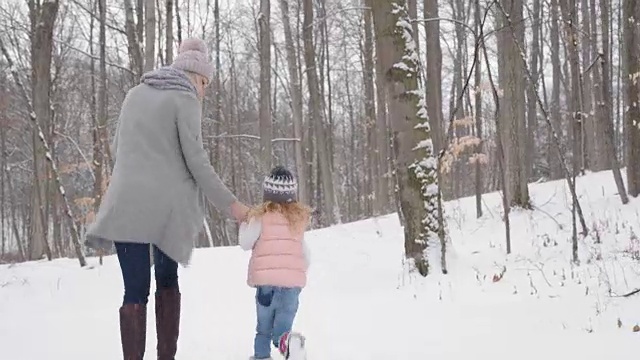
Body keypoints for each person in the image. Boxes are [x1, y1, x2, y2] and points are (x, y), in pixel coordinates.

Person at [85, 38, 249, 360]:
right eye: (204, 83)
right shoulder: (185, 99)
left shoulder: (134, 94)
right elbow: (197, 162)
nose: (204, 91)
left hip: (124, 206)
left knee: (134, 291)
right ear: (193, 75)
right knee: (166, 280)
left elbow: (118, 147)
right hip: (164, 213)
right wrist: (232, 205)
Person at [239, 166, 311, 360]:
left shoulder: (260, 218)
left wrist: (245, 223)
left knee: (263, 329)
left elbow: (245, 243)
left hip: (266, 287)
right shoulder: (298, 221)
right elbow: (306, 255)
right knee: (282, 331)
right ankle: (290, 346)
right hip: (292, 288)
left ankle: (261, 357)